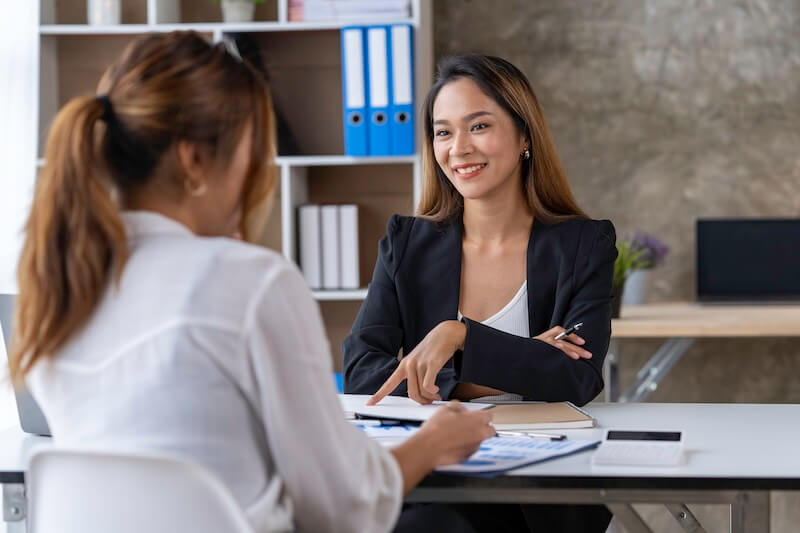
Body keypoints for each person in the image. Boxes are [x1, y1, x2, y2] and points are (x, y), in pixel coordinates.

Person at [7, 32, 495, 533]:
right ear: (194, 159)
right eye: (251, 154)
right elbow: (344, 509)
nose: (256, 178)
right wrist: (433, 443)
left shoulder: (59, 285)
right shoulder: (249, 281)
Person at [343, 55, 617, 532]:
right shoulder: (408, 242)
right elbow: (362, 371)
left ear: (524, 135)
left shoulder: (583, 244)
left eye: (479, 126)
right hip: (440, 476)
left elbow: (578, 377)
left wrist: (459, 336)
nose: (459, 148)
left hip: (544, 486)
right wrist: (487, 378)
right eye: (443, 132)